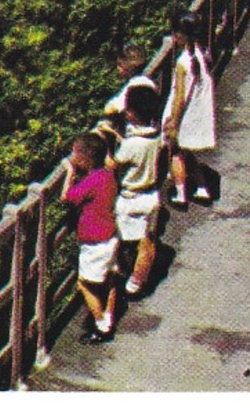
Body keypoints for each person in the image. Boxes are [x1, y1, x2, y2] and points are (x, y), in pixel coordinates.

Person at [60, 131, 119, 343]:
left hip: (95, 242)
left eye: (75, 154)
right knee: (109, 279)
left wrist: (69, 173)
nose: (72, 156)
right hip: (111, 236)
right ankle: (110, 316)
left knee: (84, 284)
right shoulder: (108, 174)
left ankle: (102, 325)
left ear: (84, 159)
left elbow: (66, 197)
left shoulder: (92, 181)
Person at [112, 83, 166, 296]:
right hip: (150, 195)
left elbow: (114, 163)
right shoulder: (155, 137)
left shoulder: (131, 144)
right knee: (147, 242)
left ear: (132, 113)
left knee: (117, 237)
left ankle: (118, 272)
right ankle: (137, 282)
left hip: (129, 197)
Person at [162, 13, 216, 206]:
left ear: (179, 35)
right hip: (197, 112)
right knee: (187, 153)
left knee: (176, 153)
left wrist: (173, 121)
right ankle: (201, 188)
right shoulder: (201, 54)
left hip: (184, 114)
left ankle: (180, 193)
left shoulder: (183, 62)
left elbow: (179, 96)